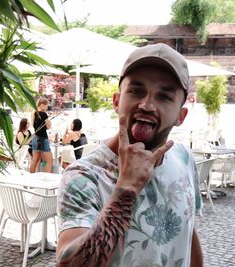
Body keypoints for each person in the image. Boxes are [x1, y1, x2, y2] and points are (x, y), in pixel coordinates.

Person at [56, 43, 203, 267]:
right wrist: (126, 191)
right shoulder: (84, 176)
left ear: (181, 116)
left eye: (164, 96)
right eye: (136, 91)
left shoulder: (184, 158)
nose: (147, 105)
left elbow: (187, 231)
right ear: (117, 101)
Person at [30, 98, 53, 173]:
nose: (47, 108)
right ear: (42, 105)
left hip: (35, 138)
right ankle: (47, 179)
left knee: (34, 160)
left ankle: (30, 178)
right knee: (49, 161)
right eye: (46, 106)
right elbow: (49, 126)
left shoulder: (33, 113)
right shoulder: (43, 114)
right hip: (43, 139)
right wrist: (49, 121)